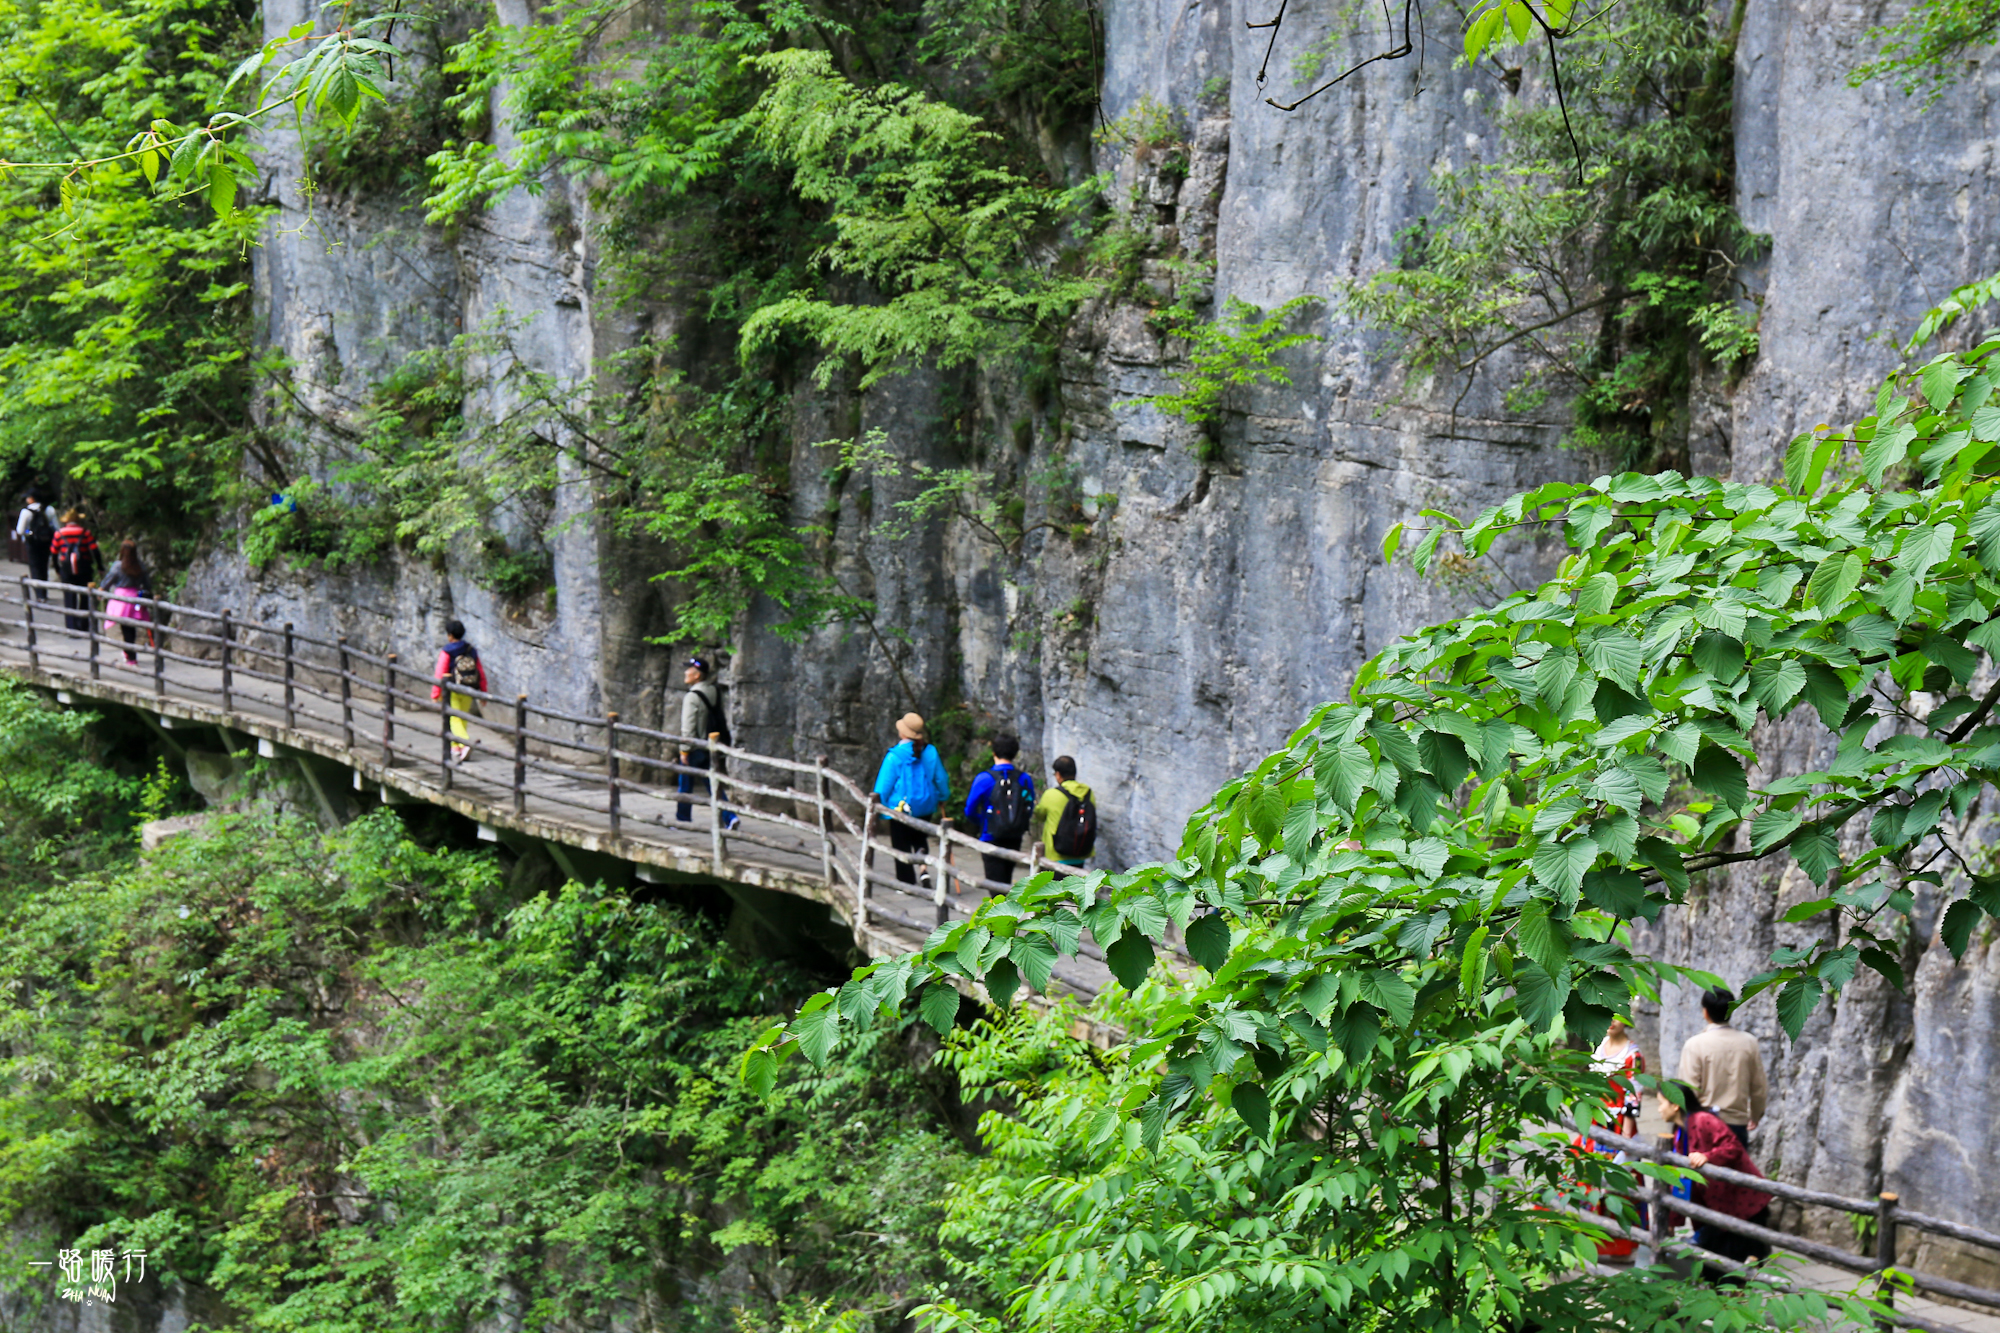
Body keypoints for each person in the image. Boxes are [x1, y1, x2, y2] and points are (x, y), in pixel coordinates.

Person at [1659, 1079, 1775, 1266]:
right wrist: (1673, 1220)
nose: (1658, 1109)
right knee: (1718, 1263)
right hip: (1718, 1206)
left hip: (1741, 1201)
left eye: (1661, 1103)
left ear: (1674, 1106)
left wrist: (1707, 1156)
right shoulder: (1679, 1132)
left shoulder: (1704, 1120)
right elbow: (1681, 1180)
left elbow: (1732, 1147)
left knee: (1737, 1261)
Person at [1678, 987, 1767, 1151]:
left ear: (1705, 1012)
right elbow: (1759, 1088)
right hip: (1736, 1123)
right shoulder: (1749, 1043)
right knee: (1734, 1166)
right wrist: (1755, 1115)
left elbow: (1688, 1090)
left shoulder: (1695, 1044)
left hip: (1703, 1125)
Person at [872, 712, 950, 888]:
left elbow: (884, 786)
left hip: (900, 808)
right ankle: (923, 869)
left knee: (901, 845)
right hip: (926, 804)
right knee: (920, 838)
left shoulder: (895, 756)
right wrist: (943, 797)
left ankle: (906, 882)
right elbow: (941, 778)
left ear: (903, 732)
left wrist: (879, 808)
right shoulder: (930, 751)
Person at [964, 733, 1036, 888]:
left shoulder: (984, 778)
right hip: (1015, 836)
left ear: (994, 752)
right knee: (1006, 880)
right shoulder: (1024, 779)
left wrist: (983, 821)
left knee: (995, 885)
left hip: (990, 836)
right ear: (1015, 753)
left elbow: (970, 809)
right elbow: (1029, 806)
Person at [676, 656, 738, 828]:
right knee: (712, 784)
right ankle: (730, 817)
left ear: (697, 675)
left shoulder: (692, 696)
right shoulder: (713, 690)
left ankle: (682, 820)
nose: (685, 672)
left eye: (689, 670)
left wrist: (684, 750)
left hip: (695, 747)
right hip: (709, 746)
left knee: (685, 785)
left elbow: (688, 728)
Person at [430, 618, 486, 765]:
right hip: (468, 688)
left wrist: (435, 693)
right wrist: (483, 692)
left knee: (454, 718)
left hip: (453, 690)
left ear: (450, 635)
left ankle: (465, 743)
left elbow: (440, 672)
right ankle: (456, 747)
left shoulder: (447, 651)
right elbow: (480, 671)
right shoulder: (471, 650)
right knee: (462, 718)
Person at [1032, 755, 1097, 869]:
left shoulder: (1051, 794)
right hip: (1081, 853)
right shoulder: (1088, 793)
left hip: (1055, 855)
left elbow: (1040, 816)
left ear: (1058, 774)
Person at [102, 540, 153, 667]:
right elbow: (147, 584)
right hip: (135, 598)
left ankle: (131, 656)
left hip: (121, 599)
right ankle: (129, 653)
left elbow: (108, 581)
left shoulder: (118, 566)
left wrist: (101, 589)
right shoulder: (140, 566)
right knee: (131, 628)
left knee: (125, 629)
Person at [49, 509, 101, 633]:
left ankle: (71, 627)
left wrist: (57, 568)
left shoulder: (59, 533)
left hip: (66, 569)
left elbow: (54, 553)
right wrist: (100, 566)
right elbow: (94, 550)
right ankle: (83, 625)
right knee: (85, 596)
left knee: (69, 597)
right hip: (84, 568)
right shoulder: (86, 532)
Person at [1594, 1017, 1647, 1138]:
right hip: (1595, 1113)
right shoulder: (1600, 1044)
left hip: (1618, 1120)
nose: (1611, 1020)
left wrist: (1626, 1133)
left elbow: (1633, 1095)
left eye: (1617, 1016)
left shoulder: (1633, 1055)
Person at [13, 488, 53, 597]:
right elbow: (55, 527)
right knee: (44, 567)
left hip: (32, 543)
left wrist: (29, 532)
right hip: (46, 541)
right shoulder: (49, 509)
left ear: (32, 499)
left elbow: (20, 530)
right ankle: (44, 592)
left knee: (35, 567)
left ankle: (39, 595)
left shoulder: (26, 512)